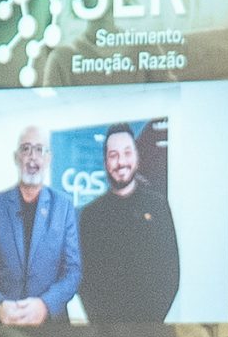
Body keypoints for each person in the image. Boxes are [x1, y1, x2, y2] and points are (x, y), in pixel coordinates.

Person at [0, 127, 81, 328]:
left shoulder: (63, 206)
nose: (32, 157)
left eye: (39, 149)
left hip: (51, 327)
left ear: (48, 158)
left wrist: (45, 305)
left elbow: (73, 272)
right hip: (3, 326)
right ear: (16, 157)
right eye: (25, 149)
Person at [74, 125, 181, 324]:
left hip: (151, 328)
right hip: (105, 331)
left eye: (127, 153)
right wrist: (102, 323)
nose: (121, 162)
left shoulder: (158, 206)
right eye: (113, 155)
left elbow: (171, 272)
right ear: (106, 162)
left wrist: (151, 323)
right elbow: (84, 279)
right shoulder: (90, 215)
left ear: (136, 157)